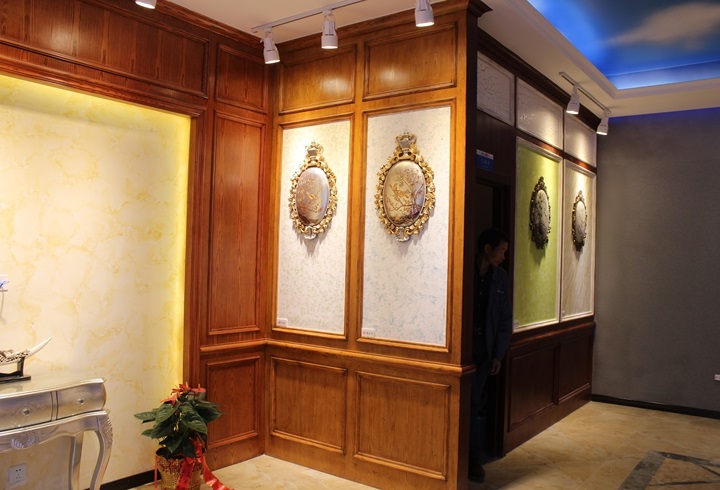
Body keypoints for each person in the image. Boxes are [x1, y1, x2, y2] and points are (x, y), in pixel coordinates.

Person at [469, 228, 513, 483]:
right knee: (464, 402)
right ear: (487, 249)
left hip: (484, 348)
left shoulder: (500, 278)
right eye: (501, 251)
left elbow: (505, 318)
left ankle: (473, 460)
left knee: (473, 402)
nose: (503, 257)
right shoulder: (466, 270)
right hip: (463, 345)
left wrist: (498, 353)